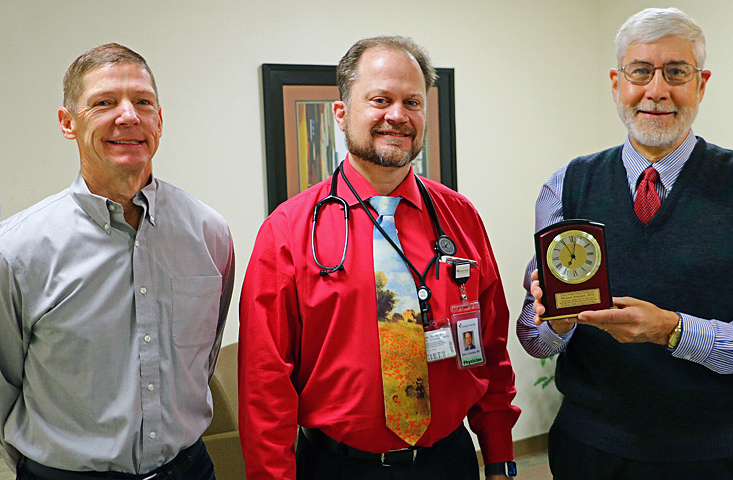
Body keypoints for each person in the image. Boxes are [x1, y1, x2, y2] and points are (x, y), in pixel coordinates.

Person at [517, 8, 733, 479]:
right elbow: (535, 339)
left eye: (676, 72)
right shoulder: (567, 184)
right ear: (616, 82)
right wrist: (551, 319)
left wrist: (671, 330)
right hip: (588, 450)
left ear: (702, 84)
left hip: (709, 456)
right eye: (641, 71)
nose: (656, 90)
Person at [239, 36, 520, 480]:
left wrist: (500, 454)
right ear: (341, 113)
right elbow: (265, 384)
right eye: (380, 100)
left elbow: (490, 347)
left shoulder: (460, 217)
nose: (397, 116)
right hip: (338, 466)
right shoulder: (288, 230)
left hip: (448, 461)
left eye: (412, 102)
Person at [0, 43, 235, 479]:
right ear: (68, 123)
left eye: (142, 102)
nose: (128, 116)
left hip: (188, 470)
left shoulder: (210, 232)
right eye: (104, 102)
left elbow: (203, 358)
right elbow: (4, 382)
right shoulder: (16, 250)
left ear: (159, 120)